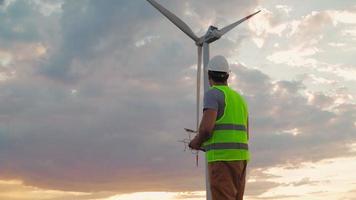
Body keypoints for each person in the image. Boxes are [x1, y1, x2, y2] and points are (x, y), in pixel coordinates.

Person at [189, 55, 249, 200]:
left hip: (222, 159)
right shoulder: (239, 99)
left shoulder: (213, 94)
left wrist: (196, 143)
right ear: (227, 75)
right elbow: (246, 133)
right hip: (241, 159)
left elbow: (206, 129)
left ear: (209, 75)